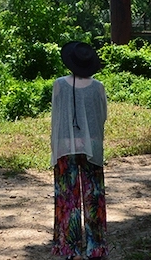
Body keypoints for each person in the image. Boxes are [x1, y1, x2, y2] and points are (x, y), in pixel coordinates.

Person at [50, 41, 108, 260]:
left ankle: (70, 248)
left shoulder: (59, 85)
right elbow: (102, 116)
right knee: (94, 197)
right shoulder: (97, 86)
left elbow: (57, 117)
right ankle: (96, 247)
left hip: (65, 147)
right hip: (92, 146)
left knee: (68, 198)